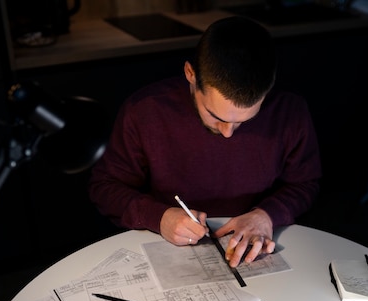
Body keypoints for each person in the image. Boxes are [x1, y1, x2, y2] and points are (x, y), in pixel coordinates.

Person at [88, 16, 321, 267]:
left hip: (255, 247)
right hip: (170, 249)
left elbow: (305, 183)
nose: (228, 133)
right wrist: (160, 217)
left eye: (245, 120)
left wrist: (266, 215)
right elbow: (105, 188)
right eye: (216, 116)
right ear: (190, 74)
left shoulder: (289, 111)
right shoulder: (145, 111)